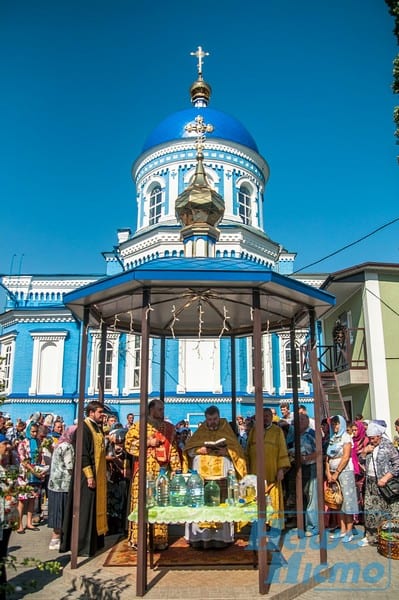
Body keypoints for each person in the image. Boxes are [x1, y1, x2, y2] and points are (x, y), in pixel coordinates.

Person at [184, 405, 247, 549]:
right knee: (201, 504)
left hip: (222, 476)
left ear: (219, 417)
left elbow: (238, 451)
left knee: (222, 504)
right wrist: (199, 449)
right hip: (202, 477)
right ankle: (200, 539)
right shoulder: (201, 431)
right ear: (206, 419)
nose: (212, 422)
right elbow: (188, 450)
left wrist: (227, 451)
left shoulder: (226, 429)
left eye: (215, 419)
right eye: (209, 419)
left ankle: (222, 539)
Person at [124, 398, 181, 550]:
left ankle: (159, 539)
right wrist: (148, 443)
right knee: (141, 504)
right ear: (151, 410)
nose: (163, 412)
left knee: (160, 504)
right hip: (143, 472)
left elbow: (173, 449)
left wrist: (176, 469)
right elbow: (128, 445)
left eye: (163, 409)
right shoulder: (138, 427)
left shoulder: (168, 428)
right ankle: (139, 539)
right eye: (160, 409)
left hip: (161, 472)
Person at [60, 401, 108, 556]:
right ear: (91, 412)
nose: (103, 415)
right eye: (100, 412)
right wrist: (89, 475)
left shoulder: (96, 427)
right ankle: (83, 545)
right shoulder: (84, 428)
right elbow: (83, 453)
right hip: (86, 475)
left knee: (94, 508)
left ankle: (95, 542)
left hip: (97, 473)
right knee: (85, 510)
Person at [246, 408, 291, 533]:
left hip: (272, 472)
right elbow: (248, 450)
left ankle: (273, 525)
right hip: (255, 473)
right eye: (263, 416)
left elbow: (282, 450)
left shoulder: (277, 431)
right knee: (256, 498)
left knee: (272, 500)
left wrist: (281, 469)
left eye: (267, 416)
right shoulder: (254, 431)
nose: (265, 418)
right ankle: (257, 524)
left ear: (271, 417)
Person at [357, 421, 399, 547]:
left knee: (385, 511)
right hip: (371, 482)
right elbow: (360, 460)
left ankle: (386, 537)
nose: (371, 440)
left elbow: (397, 465)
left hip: (384, 484)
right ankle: (371, 536)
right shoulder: (369, 446)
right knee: (370, 511)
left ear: (379, 436)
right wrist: (364, 452)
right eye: (369, 438)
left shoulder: (388, 446)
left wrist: (386, 477)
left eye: (373, 438)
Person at [325, 415, 358, 543]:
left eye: (337, 424)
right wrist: (328, 472)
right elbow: (328, 457)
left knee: (347, 501)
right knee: (338, 500)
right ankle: (342, 529)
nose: (335, 426)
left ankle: (349, 531)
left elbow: (345, 457)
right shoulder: (333, 438)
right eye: (333, 424)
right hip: (333, 472)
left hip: (344, 472)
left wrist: (337, 472)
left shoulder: (346, 437)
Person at [47, 425, 77, 550]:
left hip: (54, 483)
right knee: (61, 511)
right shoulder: (67, 447)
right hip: (63, 484)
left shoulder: (59, 444)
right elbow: (70, 466)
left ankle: (55, 538)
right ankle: (56, 538)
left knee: (56, 510)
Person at [16, 422, 46, 533]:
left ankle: (29, 523)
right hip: (25, 474)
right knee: (22, 500)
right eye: (32, 431)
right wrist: (33, 470)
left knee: (33, 499)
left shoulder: (38, 442)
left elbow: (40, 456)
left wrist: (41, 469)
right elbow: (23, 459)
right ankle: (19, 524)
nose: (34, 433)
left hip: (36, 473)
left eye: (36, 431)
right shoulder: (23, 443)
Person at [0, 434, 19, 600]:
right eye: (3, 444)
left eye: (8, 443)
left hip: (7, 518)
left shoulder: (12, 467)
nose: (7, 447)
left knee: (1, 555)